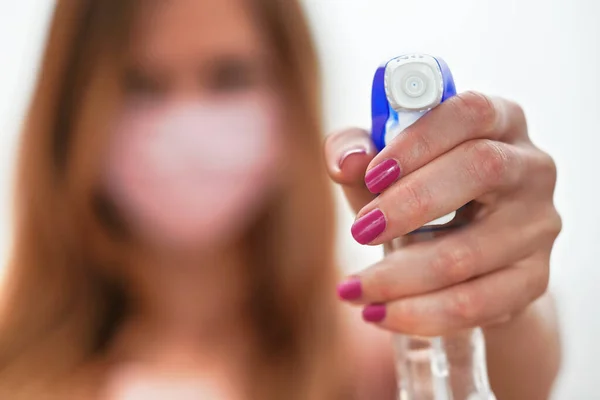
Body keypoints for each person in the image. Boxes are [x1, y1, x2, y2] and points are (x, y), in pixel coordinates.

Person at [0, 0, 561, 399]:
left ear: (291, 93)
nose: (188, 121)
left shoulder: (377, 358)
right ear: (70, 116)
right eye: (140, 84)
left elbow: (517, 382)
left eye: (229, 76)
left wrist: (490, 283)